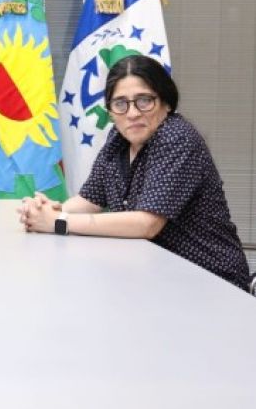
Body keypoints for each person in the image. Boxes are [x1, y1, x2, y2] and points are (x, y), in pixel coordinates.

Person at [18, 55, 250, 290]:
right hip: (155, 276)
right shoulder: (118, 139)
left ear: (166, 102)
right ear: (110, 110)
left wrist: (59, 221)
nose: (132, 113)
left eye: (144, 100)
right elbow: (90, 199)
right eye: (120, 103)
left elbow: (146, 224)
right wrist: (47, 210)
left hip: (209, 280)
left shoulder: (177, 138)